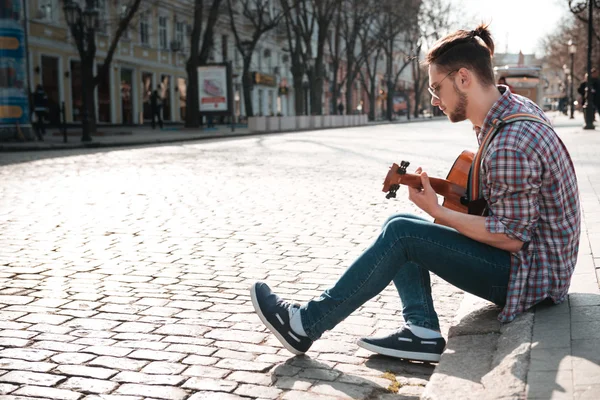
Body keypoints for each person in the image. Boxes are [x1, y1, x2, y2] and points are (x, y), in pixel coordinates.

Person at [250, 24, 581, 363]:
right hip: (541, 265)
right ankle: (421, 330)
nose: (435, 100)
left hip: (533, 278)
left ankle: (304, 324)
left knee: (402, 234)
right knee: (401, 222)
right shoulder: (510, 110)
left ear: (464, 78)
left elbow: (512, 237)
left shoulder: (509, 143)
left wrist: (439, 213)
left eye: (438, 88)